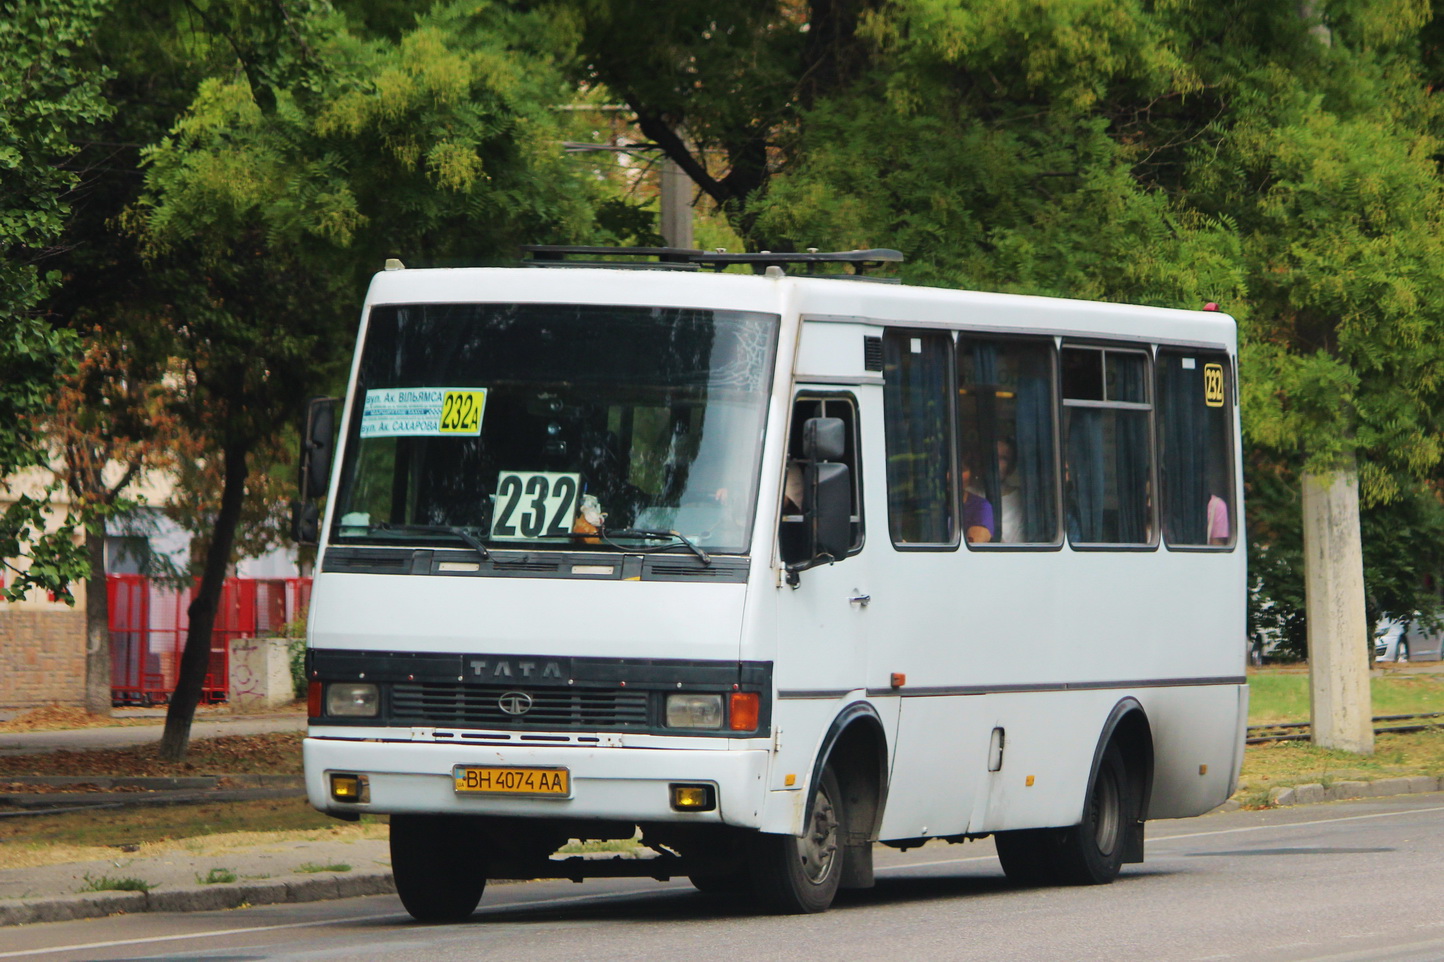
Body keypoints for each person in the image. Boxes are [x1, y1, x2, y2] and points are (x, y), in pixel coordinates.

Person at [961, 455, 994, 544]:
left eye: (961, 470)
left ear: (972, 474)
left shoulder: (980, 507)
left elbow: (975, 545)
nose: (949, 476)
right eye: (944, 470)